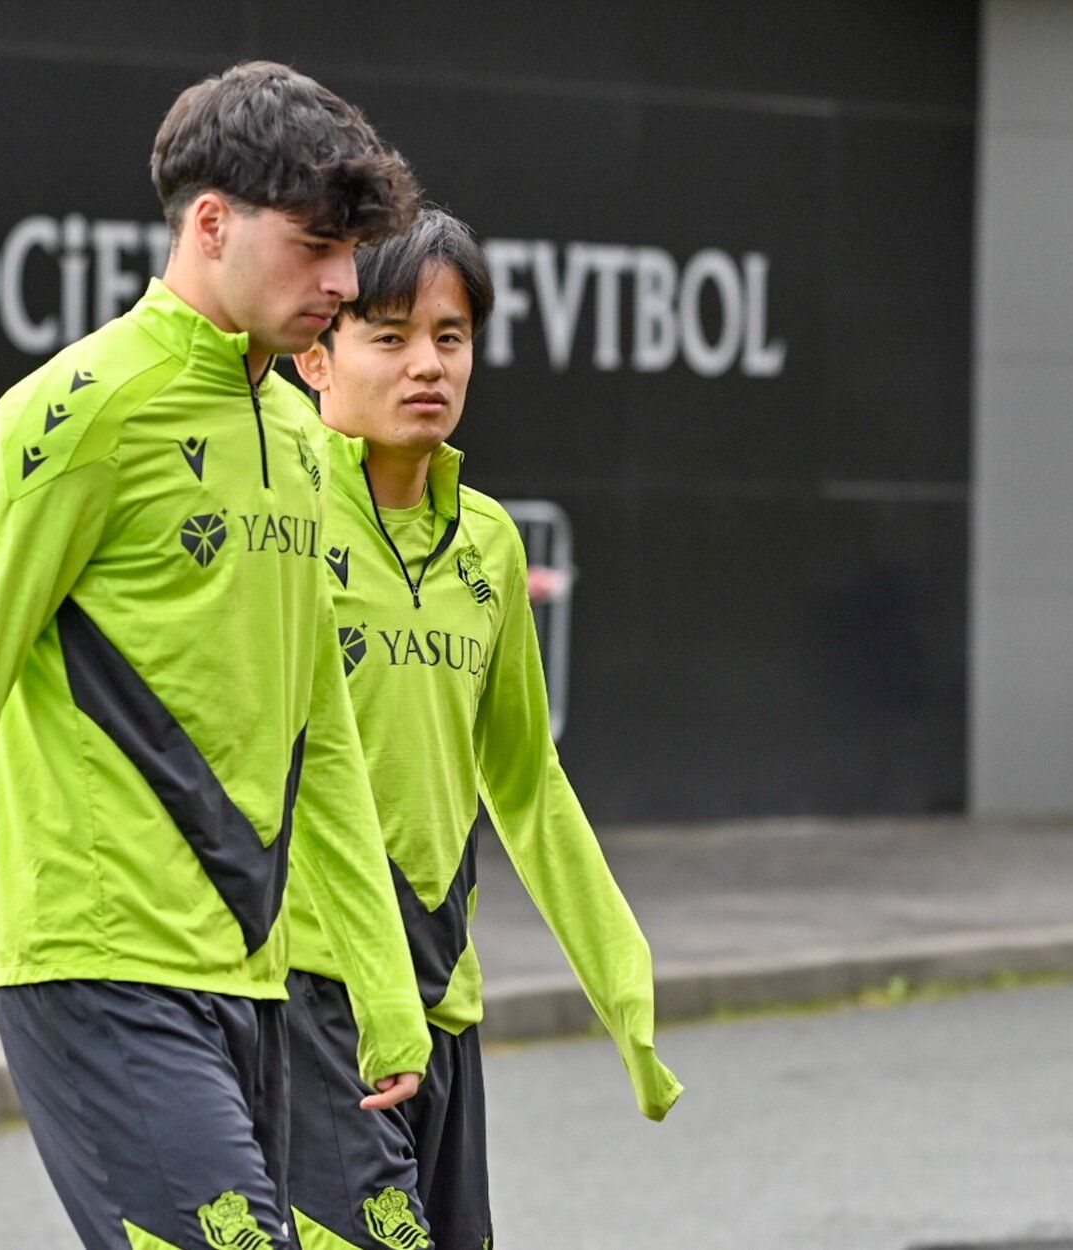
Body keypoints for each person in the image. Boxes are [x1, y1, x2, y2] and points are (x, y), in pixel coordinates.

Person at [0, 63, 433, 1249]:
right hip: (98, 961)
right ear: (210, 222)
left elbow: (318, 725)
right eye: (316, 245)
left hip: (254, 974)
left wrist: (383, 984)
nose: (342, 283)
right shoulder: (73, 412)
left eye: (351, 251)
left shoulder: (300, 434)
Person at [284, 209, 684, 1250]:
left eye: (449, 336)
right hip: (305, 991)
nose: (427, 364)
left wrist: (621, 976)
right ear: (315, 357)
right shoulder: (277, 522)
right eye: (389, 336)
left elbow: (526, 778)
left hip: (442, 996)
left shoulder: (492, 544)